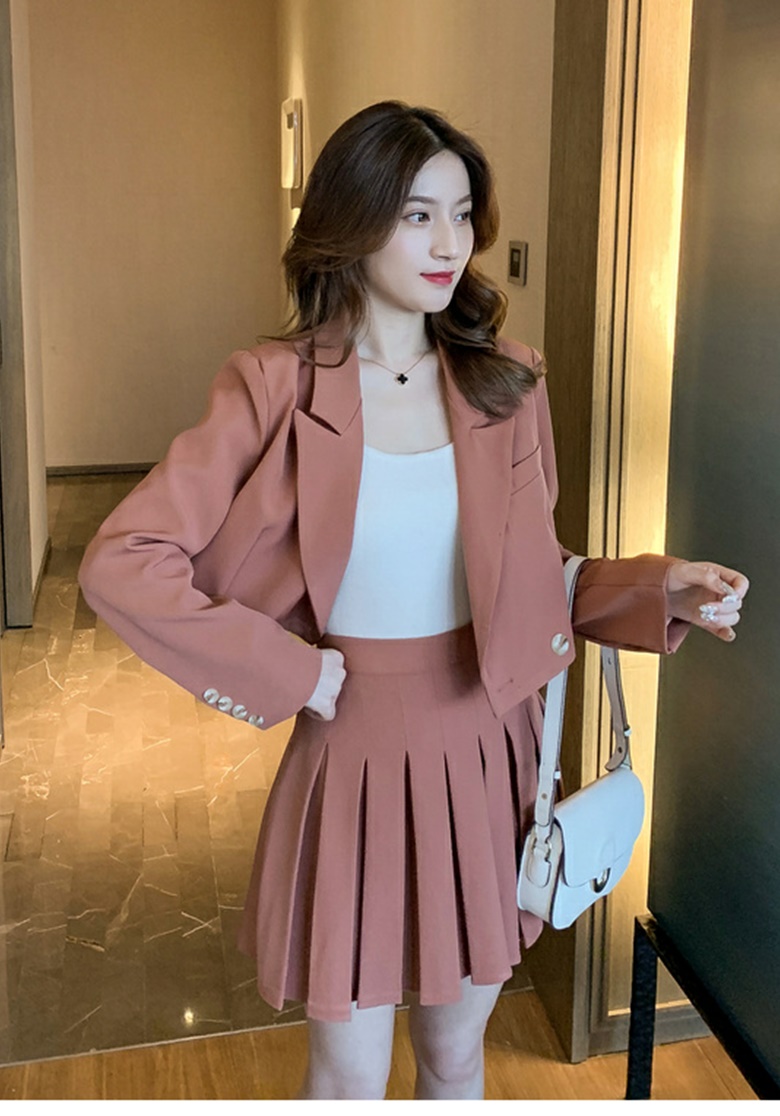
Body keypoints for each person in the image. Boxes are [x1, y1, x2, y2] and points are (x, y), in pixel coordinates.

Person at [78, 101, 749, 1100]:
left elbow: (534, 575)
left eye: (463, 214)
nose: (449, 244)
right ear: (351, 223)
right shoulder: (273, 386)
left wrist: (661, 588)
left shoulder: (507, 383)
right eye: (416, 216)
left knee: (455, 1056)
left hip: (487, 748)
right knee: (347, 1076)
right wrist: (288, 672)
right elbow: (121, 562)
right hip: (350, 750)